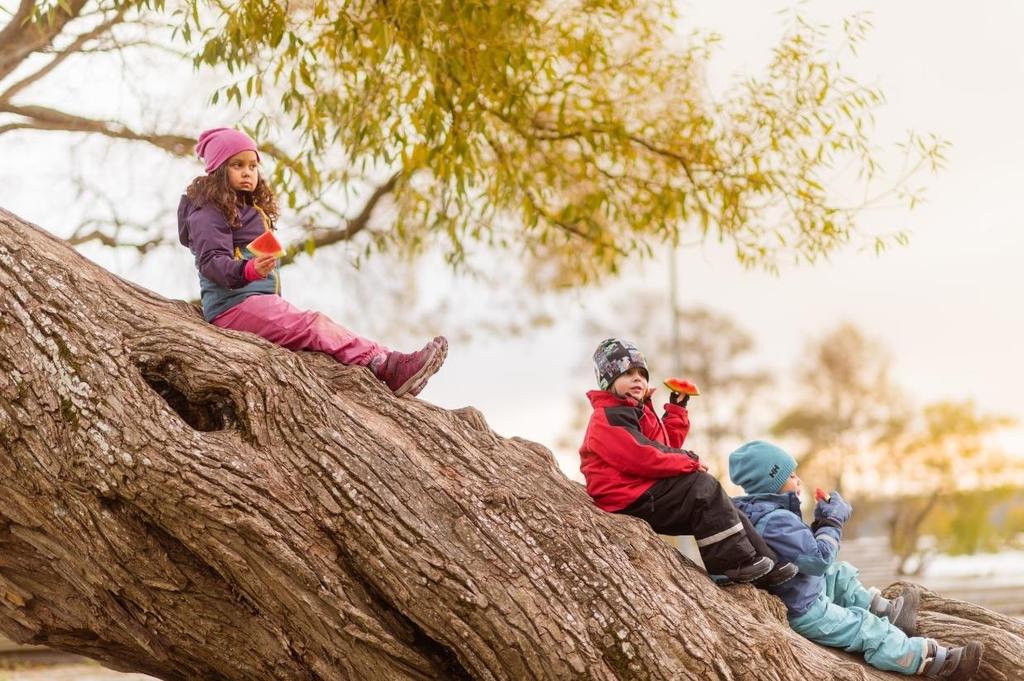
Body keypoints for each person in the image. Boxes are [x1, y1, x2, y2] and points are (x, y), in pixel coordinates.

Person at [177, 127, 446, 397]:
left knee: (317, 325)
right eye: (237, 165)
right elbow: (212, 262)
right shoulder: (207, 212)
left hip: (257, 302)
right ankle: (386, 365)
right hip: (232, 308)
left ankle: (395, 363)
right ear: (218, 169)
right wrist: (248, 269)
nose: (248, 172)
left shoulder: (249, 210)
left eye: (252, 165)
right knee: (313, 324)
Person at [728, 440, 984, 679]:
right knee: (867, 628)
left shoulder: (766, 513)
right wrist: (832, 521)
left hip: (799, 588)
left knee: (839, 574)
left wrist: (820, 520)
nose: (799, 480)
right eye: (791, 475)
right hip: (804, 609)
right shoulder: (776, 520)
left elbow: (802, 551)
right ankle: (932, 661)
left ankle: (887, 611)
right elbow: (819, 559)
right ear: (772, 481)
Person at [578, 338, 798, 586]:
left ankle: (764, 561)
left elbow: (664, 448)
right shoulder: (607, 417)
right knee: (702, 488)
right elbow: (642, 455)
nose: (638, 378)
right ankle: (729, 566)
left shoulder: (640, 411)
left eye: (642, 373)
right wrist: (689, 460)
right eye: (627, 373)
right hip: (626, 498)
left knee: (721, 503)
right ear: (608, 381)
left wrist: (676, 411)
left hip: (643, 489)